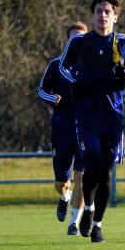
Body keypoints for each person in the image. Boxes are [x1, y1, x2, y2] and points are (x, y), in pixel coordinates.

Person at [59, 0, 125, 243]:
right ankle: (89, 207)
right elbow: (62, 67)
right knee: (92, 160)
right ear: (92, 15)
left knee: (105, 171)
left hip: (113, 116)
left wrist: (124, 74)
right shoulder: (79, 43)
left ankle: (96, 222)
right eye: (98, 11)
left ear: (115, 16)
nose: (102, 15)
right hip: (86, 115)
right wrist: (77, 83)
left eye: (107, 11)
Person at [37, 21, 88, 235]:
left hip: (86, 127)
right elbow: (41, 90)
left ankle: (74, 223)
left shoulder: (92, 67)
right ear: (67, 41)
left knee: (82, 176)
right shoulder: (56, 65)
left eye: (81, 38)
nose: (77, 42)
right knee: (62, 181)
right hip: (62, 128)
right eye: (73, 38)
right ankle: (64, 197)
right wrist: (52, 98)